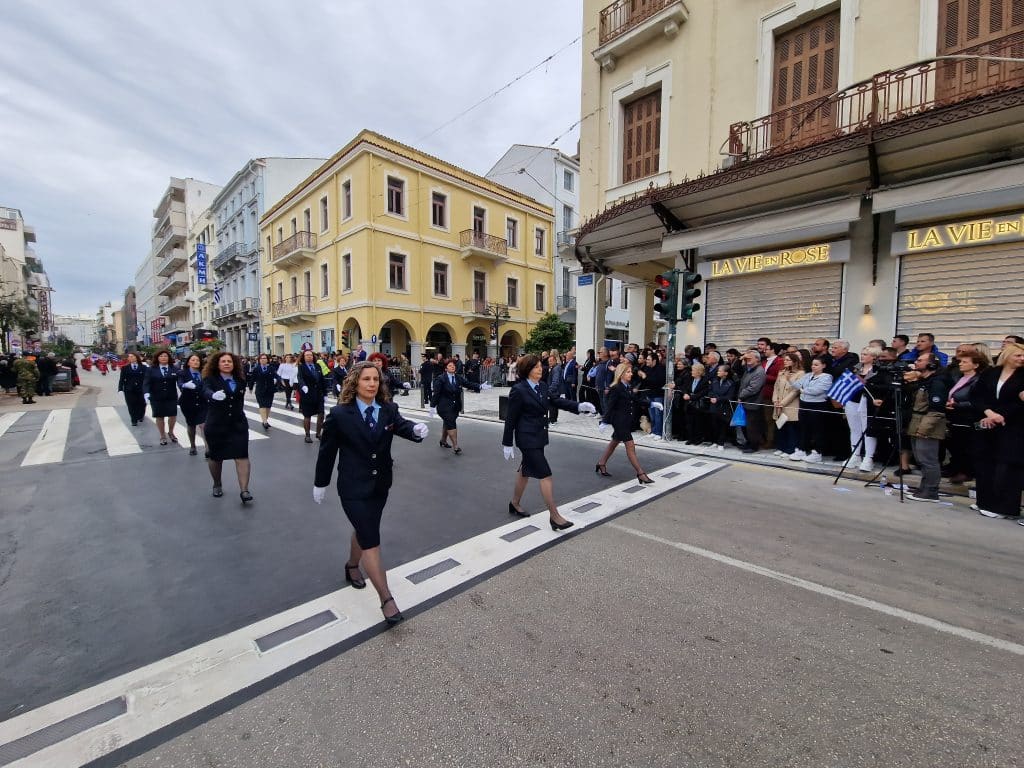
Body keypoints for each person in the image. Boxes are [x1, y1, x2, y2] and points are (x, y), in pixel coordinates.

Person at [313, 362, 429, 625]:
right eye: (366, 379)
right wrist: (320, 482)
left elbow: (400, 426)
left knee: (365, 530)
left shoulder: (388, 409)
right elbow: (327, 451)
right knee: (370, 538)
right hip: (353, 487)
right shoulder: (340, 414)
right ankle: (387, 599)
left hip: (379, 486)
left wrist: (415, 431)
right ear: (355, 383)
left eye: (375, 379)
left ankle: (352, 565)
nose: (372, 383)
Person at [502, 354, 597, 529]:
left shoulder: (543, 386)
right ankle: (554, 516)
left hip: (539, 436)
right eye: (536, 367)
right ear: (527, 370)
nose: (541, 369)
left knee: (525, 470)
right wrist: (507, 442)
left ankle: (514, 503)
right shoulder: (519, 389)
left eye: (541, 366)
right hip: (526, 438)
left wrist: (578, 406)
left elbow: (556, 401)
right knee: (545, 473)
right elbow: (511, 418)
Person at [974, 342, 1024, 522]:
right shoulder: (991, 373)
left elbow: (1019, 403)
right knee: (985, 463)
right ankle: (985, 502)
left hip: (1013, 427)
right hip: (988, 423)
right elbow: (977, 395)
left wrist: (1001, 415)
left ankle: (1006, 507)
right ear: (1007, 355)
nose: (1021, 359)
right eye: (1017, 355)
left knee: (1007, 467)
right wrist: (989, 412)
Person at [201, 352, 252, 502]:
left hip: (238, 424)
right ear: (217, 364)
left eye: (229, 361)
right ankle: (217, 483)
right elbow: (205, 390)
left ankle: (244, 490)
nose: (226, 363)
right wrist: (212, 395)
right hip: (217, 424)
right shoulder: (210, 379)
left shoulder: (240, 380)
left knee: (242, 456)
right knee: (216, 457)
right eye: (223, 361)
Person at [595, 362, 654, 483]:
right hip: (619, 422)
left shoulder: (628, 386)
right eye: (628, 372)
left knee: (614, 442)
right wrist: (604, 421)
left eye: (630, 372)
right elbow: (609, 406)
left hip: (626, 420)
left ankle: (601, 463)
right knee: (630, 446)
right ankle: (640, 473)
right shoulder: (615, 388)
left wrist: (651, 404)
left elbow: (635, 400)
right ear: (621, 374)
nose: (630, 374)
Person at [903, 352, 949, 503]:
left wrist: (924, 429)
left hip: (928, 424)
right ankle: (924, 487)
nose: (916, 362)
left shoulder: (936, 382)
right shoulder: (924, 381)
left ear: (931, 364)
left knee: (928, 459)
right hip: (917, 421)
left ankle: (931, 491)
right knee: (920, 459)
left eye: (920, 360)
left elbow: (937, 409)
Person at [944, 348, 988, 484]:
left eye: (965, 362)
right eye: (960, 361)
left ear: (976, 365)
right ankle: (956, 468)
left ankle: (967, 471)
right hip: (956, 417)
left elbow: (978, 401)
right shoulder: (959, 377)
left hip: (970, 419)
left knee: (968, 447)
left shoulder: (979, 380)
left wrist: (957, 405)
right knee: (956, 445)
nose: (960, 364)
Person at [430, 358, 489, 454]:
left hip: (455, 406)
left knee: (448, 422)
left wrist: (480, 386)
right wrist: (432, 406)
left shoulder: (458, 377)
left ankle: (443, 440)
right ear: (445, 369)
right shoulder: (440, 379)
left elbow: (468, 384)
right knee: (451, 423)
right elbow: (436, 394)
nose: (452, 366)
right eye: (450, 365)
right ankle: (456, 446)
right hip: (444, 406)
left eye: (453, 365)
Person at [788, 357, 833, 463]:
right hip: (804, 403)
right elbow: (797, 385)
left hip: (817, 405)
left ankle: (817, 452)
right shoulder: (808, 375)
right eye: (813, 364)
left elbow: (817, 390)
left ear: (823, 366)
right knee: (804, 427)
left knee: (817, 429)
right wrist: (790, 379)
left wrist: (803, 390)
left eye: (817, 365)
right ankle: (802, 449)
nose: (813, 366)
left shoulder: (827, 377)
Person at [144, 349, 179, 445]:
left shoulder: (174, 368)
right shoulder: (151, 369)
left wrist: (184, 387)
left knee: (172, 416)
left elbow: (179, 381)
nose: (163, 358)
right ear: (157, 358)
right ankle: (162, 435)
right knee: (159, 416)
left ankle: (171, 432)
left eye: (165, 356)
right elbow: (146, 382)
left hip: (171, 396)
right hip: (156, 397)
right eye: (161, 356)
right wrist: (146, 393)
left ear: (169, 358)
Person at [771, 352, 804, 457]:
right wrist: (775, 400)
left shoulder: (800, 373)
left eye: (788, 360)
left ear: (794, 361)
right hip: (778, 403)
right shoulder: (781, 372)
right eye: (785, 360)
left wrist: (783, 403)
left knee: (791, 428)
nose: (785, 362)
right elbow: (776, 386)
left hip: (790, 404)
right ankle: (781, 447)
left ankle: (790, 449)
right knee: (780, 426)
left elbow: (796, 390)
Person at [176, 353, 208, 456]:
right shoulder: (182, 373)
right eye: (193, 360)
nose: (196, 362)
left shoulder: (204, 373)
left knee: (203, 425)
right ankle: (193, 445)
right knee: (191, 425)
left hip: (203, 402)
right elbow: (180, 384)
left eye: (198, 360)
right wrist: (185, 385)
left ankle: (208, 449)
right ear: (189, 362)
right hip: (188, 403)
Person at [737, 350, 767, 453]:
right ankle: (748, 443)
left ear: (757, 359)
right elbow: (737, 369)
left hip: (753, 403)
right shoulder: (748, 369)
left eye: (750, 358)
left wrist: (741, 395)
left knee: (752, 427)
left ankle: (754, 446)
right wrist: (742, 358)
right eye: (746, 358)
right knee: (745, 425)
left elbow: (753, 388)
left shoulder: (759, 371)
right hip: (746, 402)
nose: (747, 359)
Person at [296, 349, 328, 443]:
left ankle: (318, 433)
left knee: (321, 414)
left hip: (318, 394)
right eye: (307, 355)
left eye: (310, 355)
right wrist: (303, 386)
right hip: (307, 394)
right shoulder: (301, 367)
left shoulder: (317, 366)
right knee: (307, 415)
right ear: (303, 357)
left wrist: (325, 393)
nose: (309, 356)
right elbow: (300, 377)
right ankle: (307, 435)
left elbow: (322, 380)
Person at [635, 352, 666, 439]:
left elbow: (657, 382)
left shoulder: (661, 369)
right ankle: (654, 430)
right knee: (651, 414)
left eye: (648, 359)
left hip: (658, 394)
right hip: (649, 394)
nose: (647, 361)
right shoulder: (648, 369)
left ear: (654, 360)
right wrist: (642, 376)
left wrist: (645, 376)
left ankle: (659, 433)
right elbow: (645, 382)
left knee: (658, 414)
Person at [707, 363, 736, 451]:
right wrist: (712, 396)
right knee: (714, 424)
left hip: (724, 406)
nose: (718, 372)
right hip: (714, 406)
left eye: (720, 371)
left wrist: (718, 399)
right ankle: (715, 441)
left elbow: (730, 396)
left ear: (726, 373)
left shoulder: (731, 383)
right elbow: (710, 390)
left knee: (722, 425)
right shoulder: (715, 380)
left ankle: (721, 443)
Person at [680, 361, 710, 445]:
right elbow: (684, 387)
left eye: (693, 370)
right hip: (688, 403)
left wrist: (691, 397)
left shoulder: (704, 381)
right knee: (689, 422)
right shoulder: (690, 379)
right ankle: (691, 438)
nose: (691, 372)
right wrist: (685, 393)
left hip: (697, 404)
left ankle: (698, 438)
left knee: (698, 422)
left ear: (699, 372)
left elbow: (703, 392)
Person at [250, 353, 280, 430]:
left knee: (268, 406)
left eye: (265, 358)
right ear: (259, 360)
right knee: (262, 405)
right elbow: (252, 379)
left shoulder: (271, 368)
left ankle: (265, 420)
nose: (263, 360)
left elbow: (276, 376)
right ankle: (265, 422)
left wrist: (281, 381)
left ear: (267, 360)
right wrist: (250, 388)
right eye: (261, 358)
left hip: (270, 390)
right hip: (260, 390)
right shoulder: (256, 369)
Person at [117, 352, 147, 426]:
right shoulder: (125, 368)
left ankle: (141, 415)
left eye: (132, 356)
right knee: (131, 405)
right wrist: (120, 389)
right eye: (129, 357)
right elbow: (121, 380)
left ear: (136, 357)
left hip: (141, 389)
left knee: (142, 404)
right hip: (129, 390)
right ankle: (133, 420)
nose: (130, 358)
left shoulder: (144, 368)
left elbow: (147, 379)